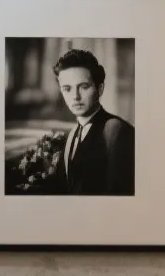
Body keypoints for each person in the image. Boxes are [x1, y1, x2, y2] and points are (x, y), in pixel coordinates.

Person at [52, 49, 134, 196]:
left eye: (84, 87)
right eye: (67, 89)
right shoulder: (71, 136)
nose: (75, 97)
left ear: (100, 88)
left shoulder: (116, 131)